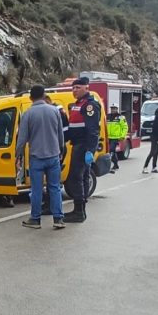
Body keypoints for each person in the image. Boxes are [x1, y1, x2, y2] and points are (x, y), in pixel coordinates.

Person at [17, 85, 65, 230]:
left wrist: (17, 155)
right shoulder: (54, 111)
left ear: (31, 98)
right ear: (44, 96)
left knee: (37, 189)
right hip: (53, 156)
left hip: (36, 157)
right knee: (55, 188)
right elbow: (60, 134)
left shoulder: (28, 114)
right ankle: (58, 219)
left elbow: (22, 138)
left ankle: (35, 219)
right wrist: (61, 149)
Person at [64, 76, 101, 223]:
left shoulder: (90, 105)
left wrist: (90, 151)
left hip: (83, 145)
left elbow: (93, 130)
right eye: (73, 88)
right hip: (76, 144)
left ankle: (79, 211)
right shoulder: (77, 104)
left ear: (86, 87)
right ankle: (79, 210)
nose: (75, 90)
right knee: (82, 177)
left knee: (75, 178)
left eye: (78, 88)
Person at [106, 103, 128, 173]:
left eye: (114, 108)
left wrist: (122, 136)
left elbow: (125, 127)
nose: (113, 110)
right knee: (111, 151)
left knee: (112, 150)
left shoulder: (121, 117)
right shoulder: (107, 116)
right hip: (108, 137)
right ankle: (116, 164)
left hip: (116, 137)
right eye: (112, 108)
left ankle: (109, 166)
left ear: (117, 109)